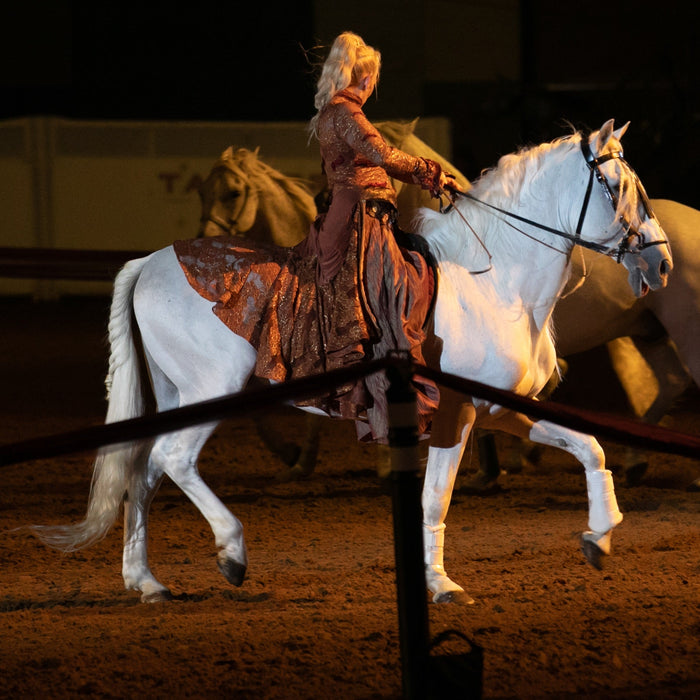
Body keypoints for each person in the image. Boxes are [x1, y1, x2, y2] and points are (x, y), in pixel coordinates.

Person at [174, 31, 459, 442]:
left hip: (356, 211)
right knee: (396, 290)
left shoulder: (335, 112)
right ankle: (390, 391)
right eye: (373, 77)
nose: (374, 84)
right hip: (362, 217)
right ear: (365, 78)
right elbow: (383, 155)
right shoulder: (347, 114)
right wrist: (432, 172)